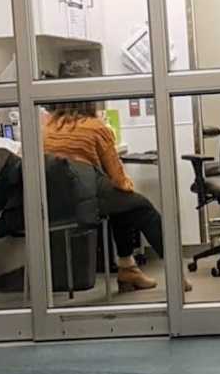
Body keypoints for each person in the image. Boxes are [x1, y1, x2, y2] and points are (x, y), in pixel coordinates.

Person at [42, 62, 189, 292]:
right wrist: (129, 187)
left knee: (122, 203)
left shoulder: (46, 126)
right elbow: (118, 178)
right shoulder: (95, 127)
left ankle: (127, 269)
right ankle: (175, 274)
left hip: (53, 206)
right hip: (84, 201)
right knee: (139, 205)